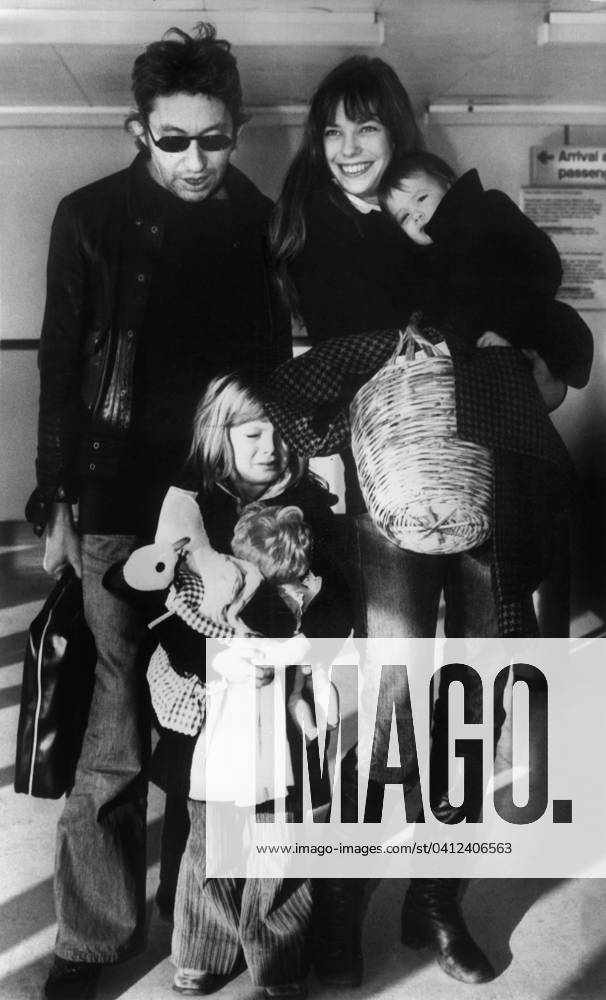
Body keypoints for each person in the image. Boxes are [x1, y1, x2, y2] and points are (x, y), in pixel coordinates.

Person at [270, 54, 593, 988]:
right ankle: (340, 904)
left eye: (365, 127)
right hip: (384, 494)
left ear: (399, 130)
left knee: (483, 691)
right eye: (331, 131)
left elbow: (553, 319)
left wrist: (553, 365)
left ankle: (436, 899)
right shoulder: (309, 228)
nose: (346, 149)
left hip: (488, 478)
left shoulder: (446, 215)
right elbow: (309, 369)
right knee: (392, 695)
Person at [25, 23, 290, 999]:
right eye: (171, 139)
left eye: (212, 138)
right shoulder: (87, 216)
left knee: (212, 731)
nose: (192, 158)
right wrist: (51, 495)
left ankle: (202, 936)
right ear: (139, 128)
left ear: (239, 128)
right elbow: (61, 363)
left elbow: (268, 378)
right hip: (114, 502)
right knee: (114, 732)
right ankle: (92, 943)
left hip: (218, 509)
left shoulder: (261, 223)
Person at [108, 372, 351, 997]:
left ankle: (278, 959)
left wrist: (297, 651)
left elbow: (338, 599)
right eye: (251, 432)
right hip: (213, 701)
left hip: (288, 700)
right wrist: (216, 653)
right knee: (211, 841)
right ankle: (205, 949)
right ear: (222, 436)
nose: (267, 444)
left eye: (277, 431)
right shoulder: (199, 509)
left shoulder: (312, 503)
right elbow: (165, 606)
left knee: (281, 842)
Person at [378, 150, 593, 402]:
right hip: (479, 351)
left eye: (422, 198)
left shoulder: (488, 208)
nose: (416, 215)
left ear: (449, 184)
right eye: (404, 217)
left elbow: (543, 261)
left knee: (557, 331)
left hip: (526, 318)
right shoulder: (427, 260)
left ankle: (542, 375)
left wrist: (506, 330)